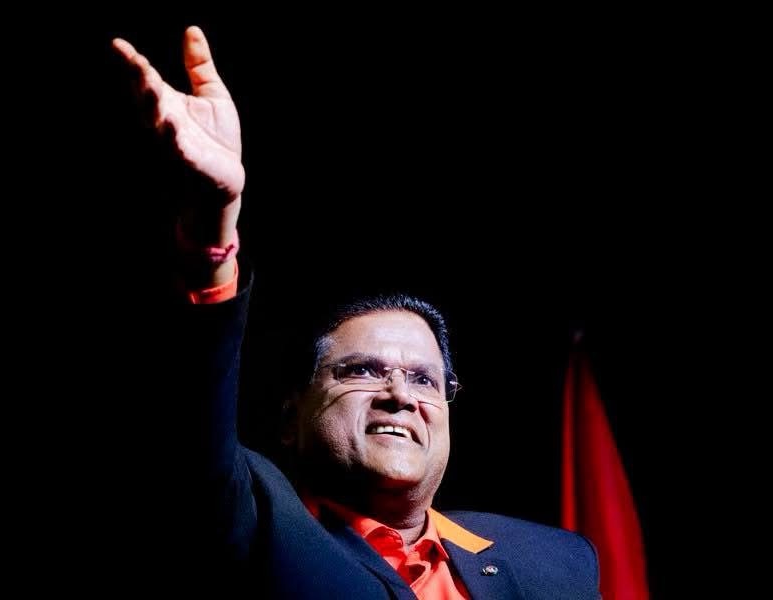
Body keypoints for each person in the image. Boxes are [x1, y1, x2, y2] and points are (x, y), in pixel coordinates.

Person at [112, 25, 600, 599]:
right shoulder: (254, 522)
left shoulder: (556, 563)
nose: (400, 395)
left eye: (424, 379)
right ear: (291, 416)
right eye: (362, 370)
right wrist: (209, 230)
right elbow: (192, 420)